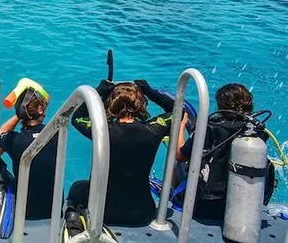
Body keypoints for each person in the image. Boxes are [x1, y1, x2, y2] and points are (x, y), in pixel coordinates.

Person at [68, 79, 175, 226]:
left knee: (77, 187)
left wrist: (100, 92)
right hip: (142, 213)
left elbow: (77, 117)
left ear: (111, 104)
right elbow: (177, 110)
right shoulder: (154, 130)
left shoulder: (102, 131)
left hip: (103, 213)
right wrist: (150, 92)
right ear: (141, 103)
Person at [174, 83, 275, 220]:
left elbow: (180, 156)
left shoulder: (211, 128)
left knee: (178, 164)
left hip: (207, 207)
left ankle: (174, 199)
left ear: (221, 106)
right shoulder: (257, 131)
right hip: (245, 210)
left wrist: (179, 127)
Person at [0, 78, 56, 219]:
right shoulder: (56, 134)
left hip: (24, 210)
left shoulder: (16, 140)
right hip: (53, 209)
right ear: (41, 110)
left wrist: (18, 115)